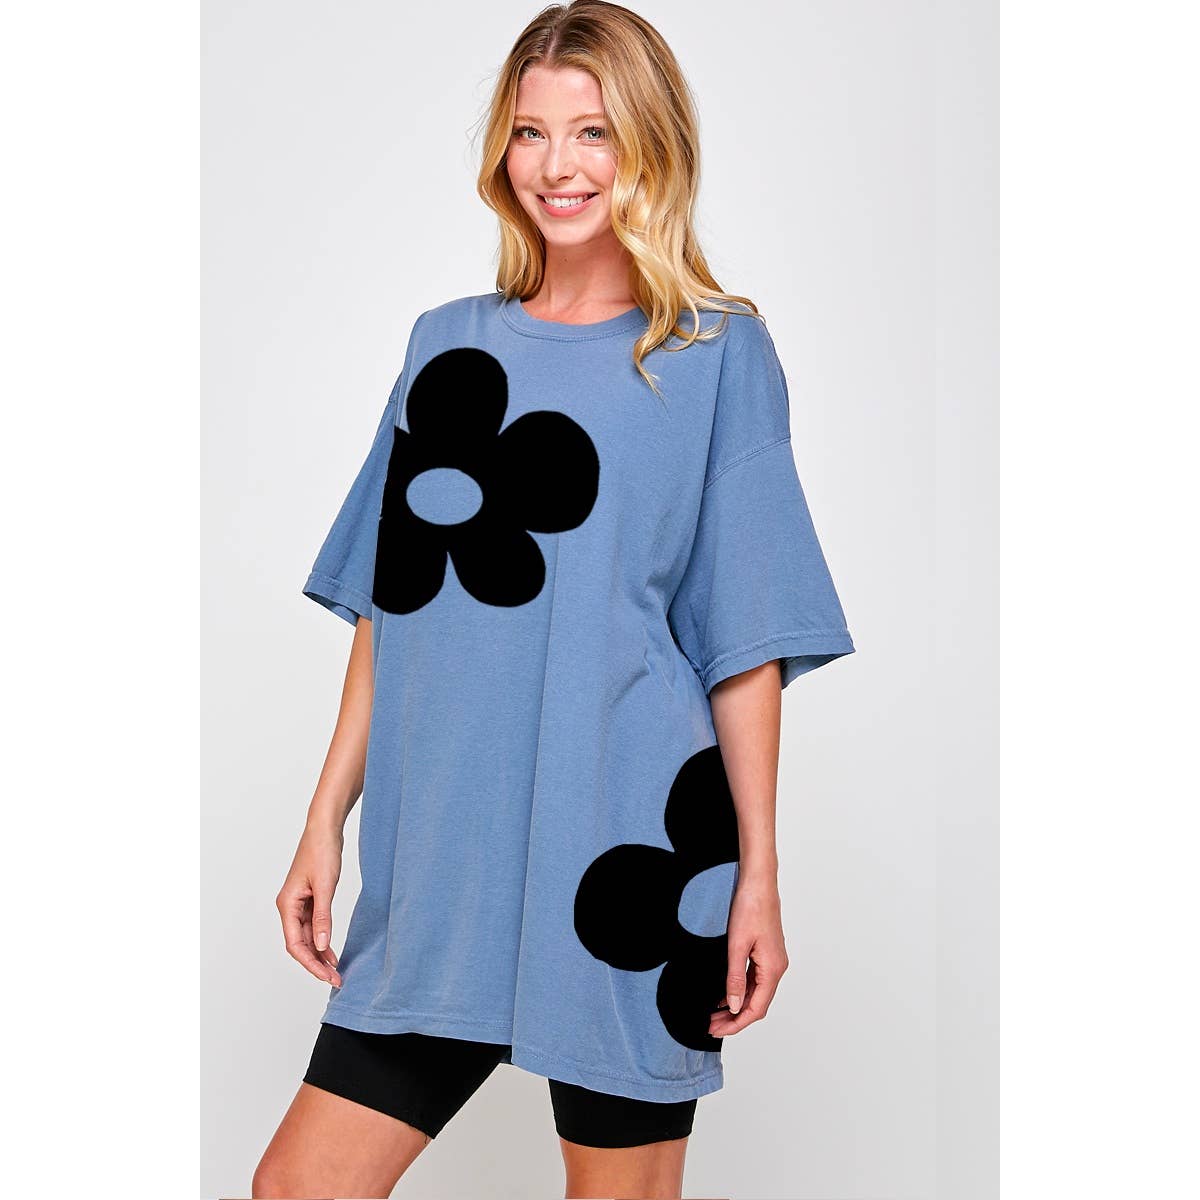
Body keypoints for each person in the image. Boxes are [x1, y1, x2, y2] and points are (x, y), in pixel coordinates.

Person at [252, 3, 854, 1197]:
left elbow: (746, 643)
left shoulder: (716, 353)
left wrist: (758, 878)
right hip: (445, 852)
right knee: (299, 1187)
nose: (557, 165)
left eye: (593, 132)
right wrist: (325, 818)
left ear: (650, 146)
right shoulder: (445, 349)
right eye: (531, 132)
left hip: (627, 850)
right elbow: (392, 604)